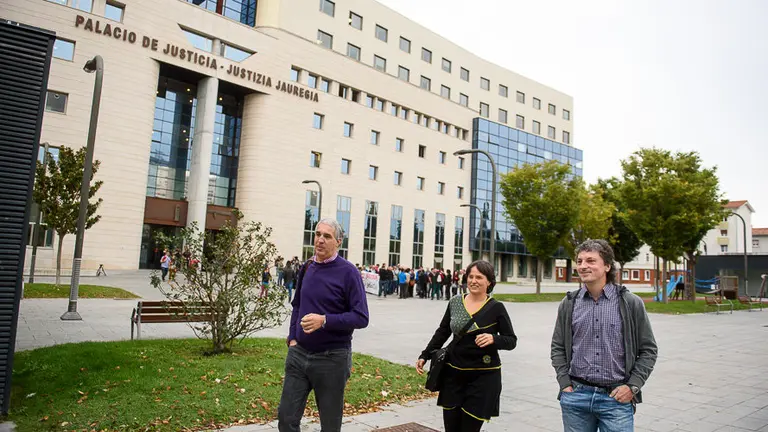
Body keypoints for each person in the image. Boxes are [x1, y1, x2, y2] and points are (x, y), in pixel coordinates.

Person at [551, 239, 658, 432]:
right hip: (576, 396)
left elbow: (649, 350)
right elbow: (557, 347)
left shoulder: (630, 303)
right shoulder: (568, 304)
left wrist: (632, 386)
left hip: (616, 399)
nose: (583, 266)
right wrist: (564, 383)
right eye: (580, 261)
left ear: (607, 266)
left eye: (591, 261)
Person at [278, 219, 370, 432]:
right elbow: (297, 304)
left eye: (326, 236)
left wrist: (325, 320)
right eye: (317, 234)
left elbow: (361, 317)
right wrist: (292, 338)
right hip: (298, 354)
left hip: (332, 358)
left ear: (338, 241)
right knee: (286, 418)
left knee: (329, 425)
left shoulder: (349, 273)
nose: (319, 239)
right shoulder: (307, 267)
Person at [416, 260, 517, 432]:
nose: (473, 281)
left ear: (489, 282)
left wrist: (494, 339)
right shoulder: (455, 302)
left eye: (479, 277)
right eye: (470, 276)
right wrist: (425, 355)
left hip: (483, 378)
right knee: (451, 427)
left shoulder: (496, 308)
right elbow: (443, 331)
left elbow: (511, 340)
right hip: (453, 375)